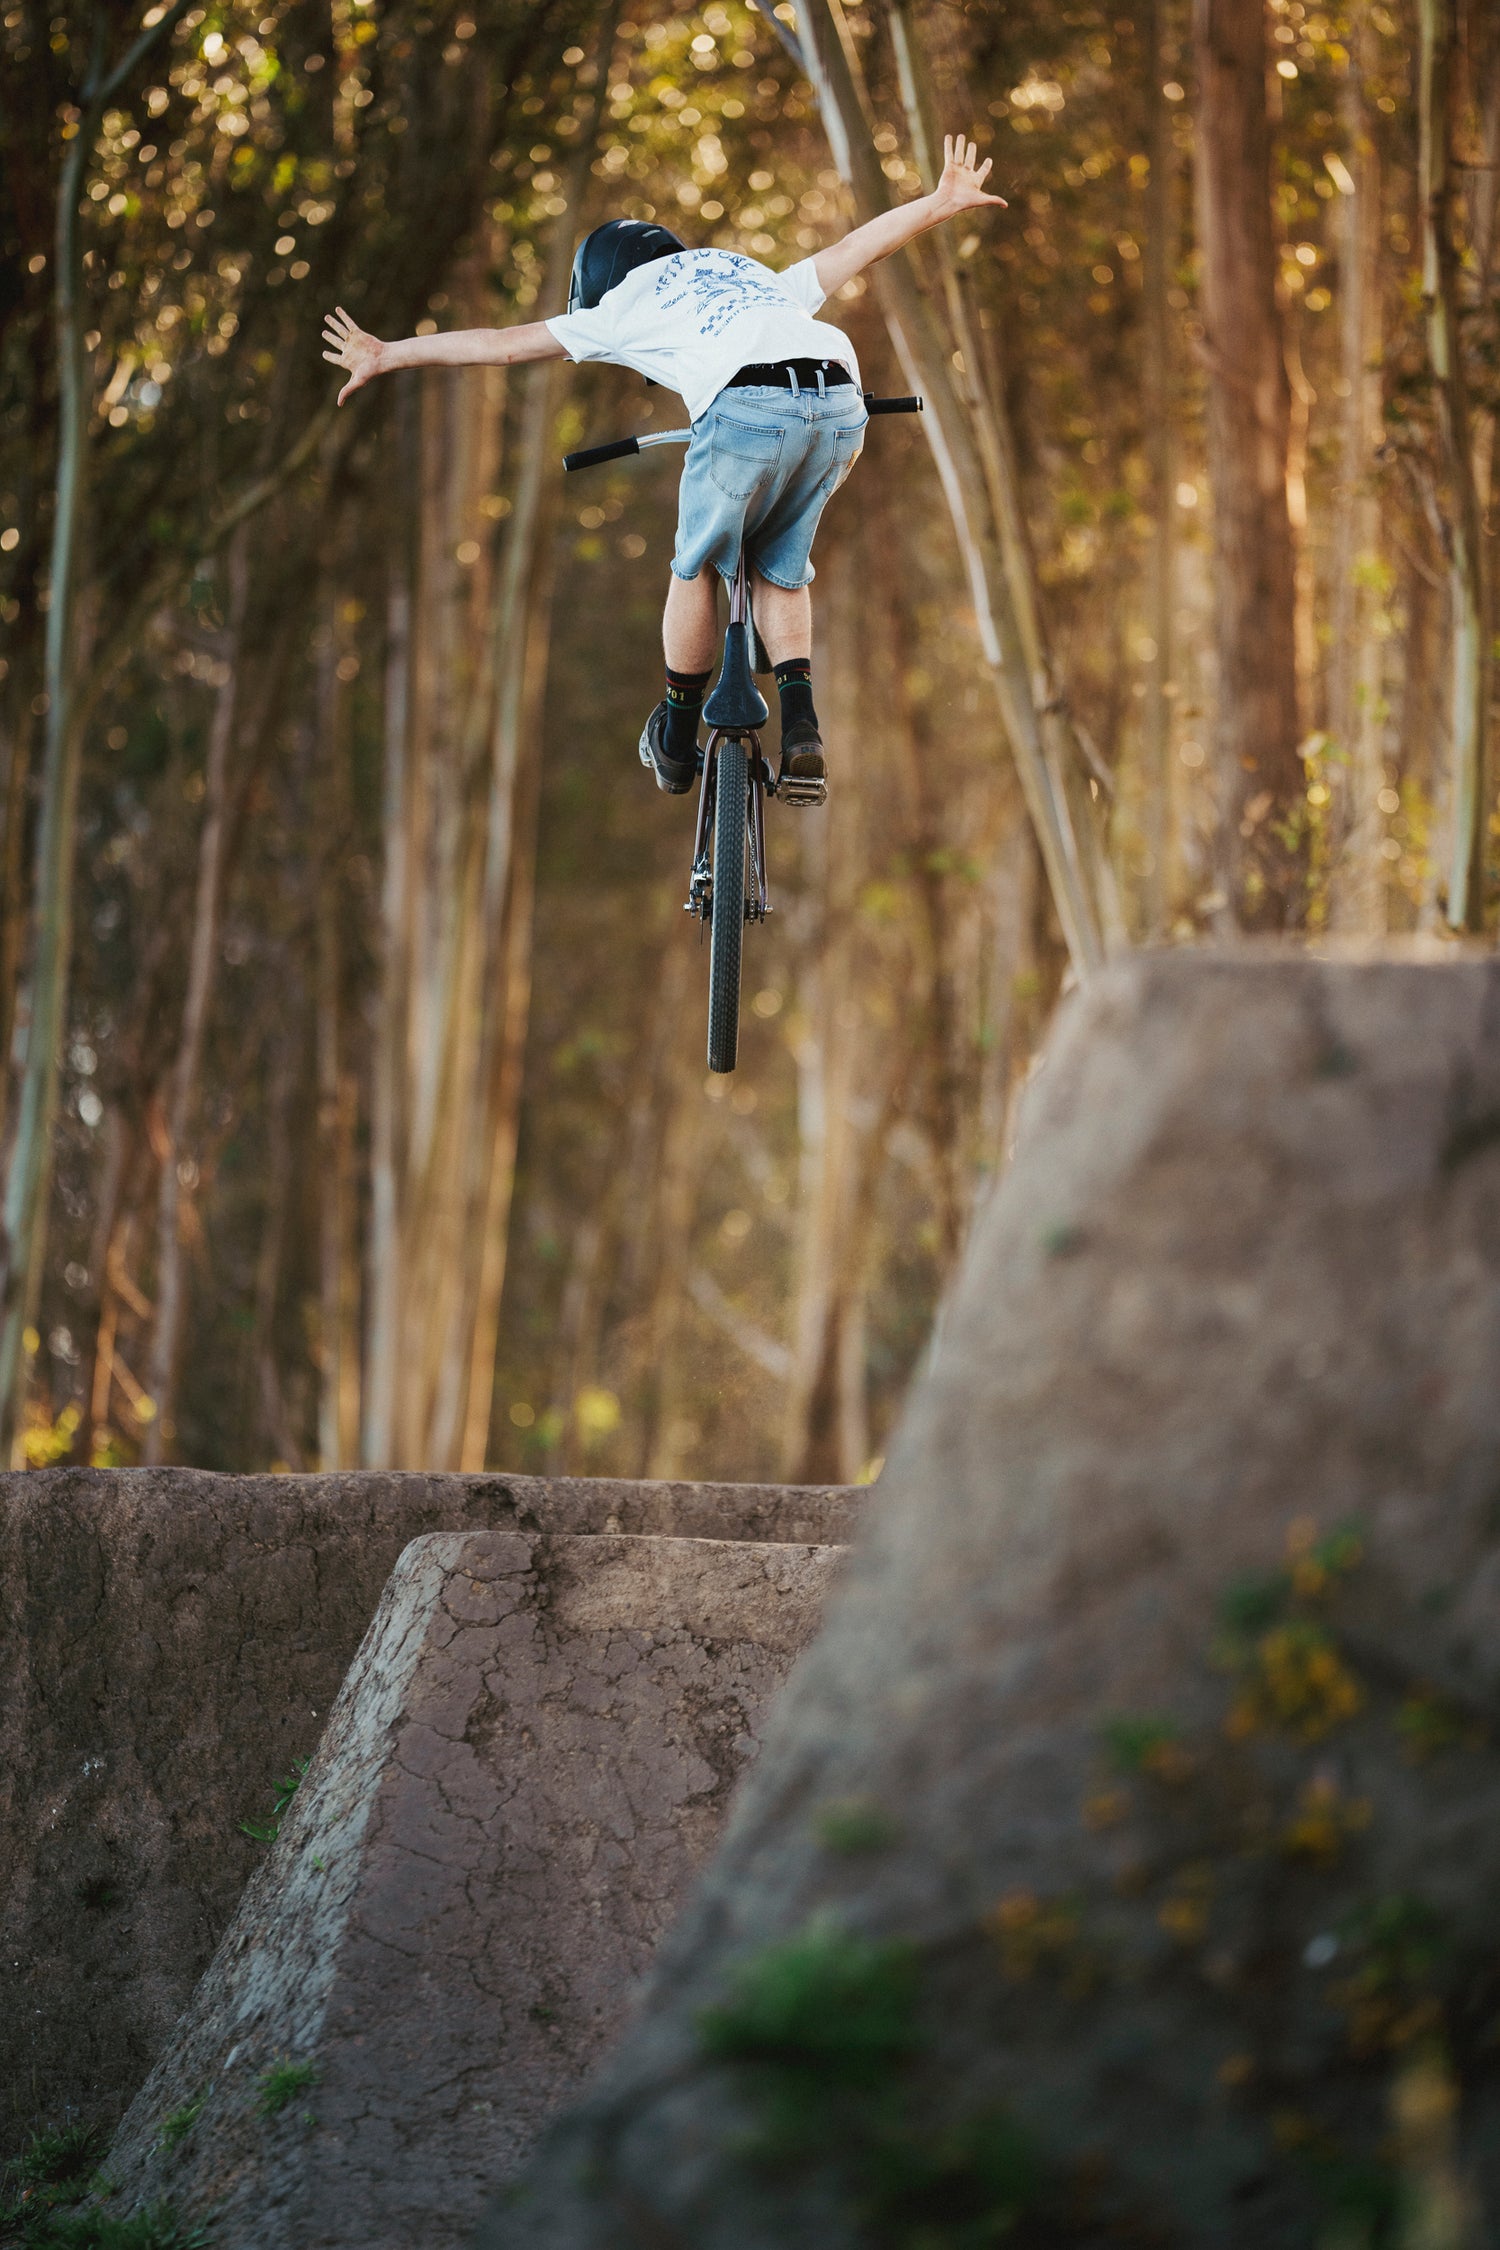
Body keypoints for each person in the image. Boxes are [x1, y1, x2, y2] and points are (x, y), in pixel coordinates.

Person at [323, 134, 1003, 805]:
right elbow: (854, 249)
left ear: (595, 283)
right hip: (839, 395)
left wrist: (388, 354)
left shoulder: (618, 306)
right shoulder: (743, 272)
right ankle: (802, 730)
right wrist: (938, 202)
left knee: (696, 566)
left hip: (744, 404)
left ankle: (677, 733)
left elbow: (501, 346)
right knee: (781, 566)